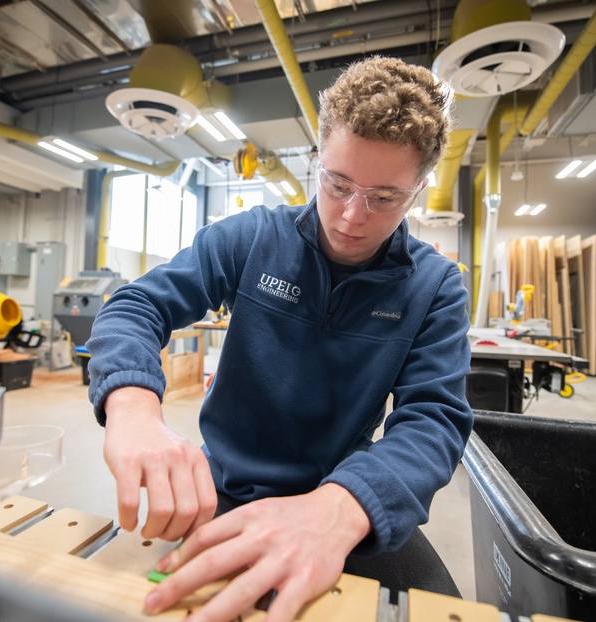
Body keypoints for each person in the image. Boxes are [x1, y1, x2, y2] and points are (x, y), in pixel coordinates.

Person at [87, 55, 473, 622]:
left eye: (384, 197)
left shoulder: (435, 287)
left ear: (416, 191)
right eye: (337, 183)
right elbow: (136, 306)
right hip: (226, 492)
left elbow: (433, 421)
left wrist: (342, 508)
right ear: (318, 160)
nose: (349, 215)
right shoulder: (252, 239)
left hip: (342, 497)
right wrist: (133, 409)